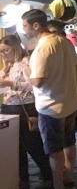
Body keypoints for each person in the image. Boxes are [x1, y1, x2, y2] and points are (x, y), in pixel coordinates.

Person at [22, 9, 77, 189]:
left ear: (36, 25)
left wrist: (26, 72)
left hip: (51, 106)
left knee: (54, 149)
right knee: (69, 141)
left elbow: (37, 81)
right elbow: (74, 66)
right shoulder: (65, 42)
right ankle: (69, 175)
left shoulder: (42, 48)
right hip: (71, 101)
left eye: (26, 26)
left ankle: (58, 184)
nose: (24, 30)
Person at [0, 35, 53, 189]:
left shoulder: (26, 62)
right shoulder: (8, 64)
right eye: (1, 51)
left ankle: (47, 174)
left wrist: (11, 83)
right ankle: (22, 177)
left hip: (25, 107)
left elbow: (33, 86)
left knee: (32, 144)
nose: (3, 54)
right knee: (15, 146)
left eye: (6, 50)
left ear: (15, 47)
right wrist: (4, 70)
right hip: (8, 106)